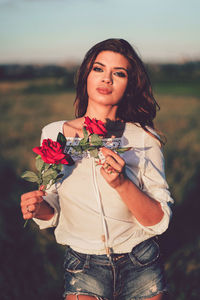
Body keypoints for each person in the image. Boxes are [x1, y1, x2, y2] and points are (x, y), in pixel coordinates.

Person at [21, 38, 174, 300]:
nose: (107, 79)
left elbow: (158, 221)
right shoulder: (54, 133)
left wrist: (122, 184)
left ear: (130, 84)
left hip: (141, 262)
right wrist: (38, 207)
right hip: (83, 265)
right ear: (85, 76)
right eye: (98, 69)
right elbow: (52, 207)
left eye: (119, 73)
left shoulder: (144, 138)